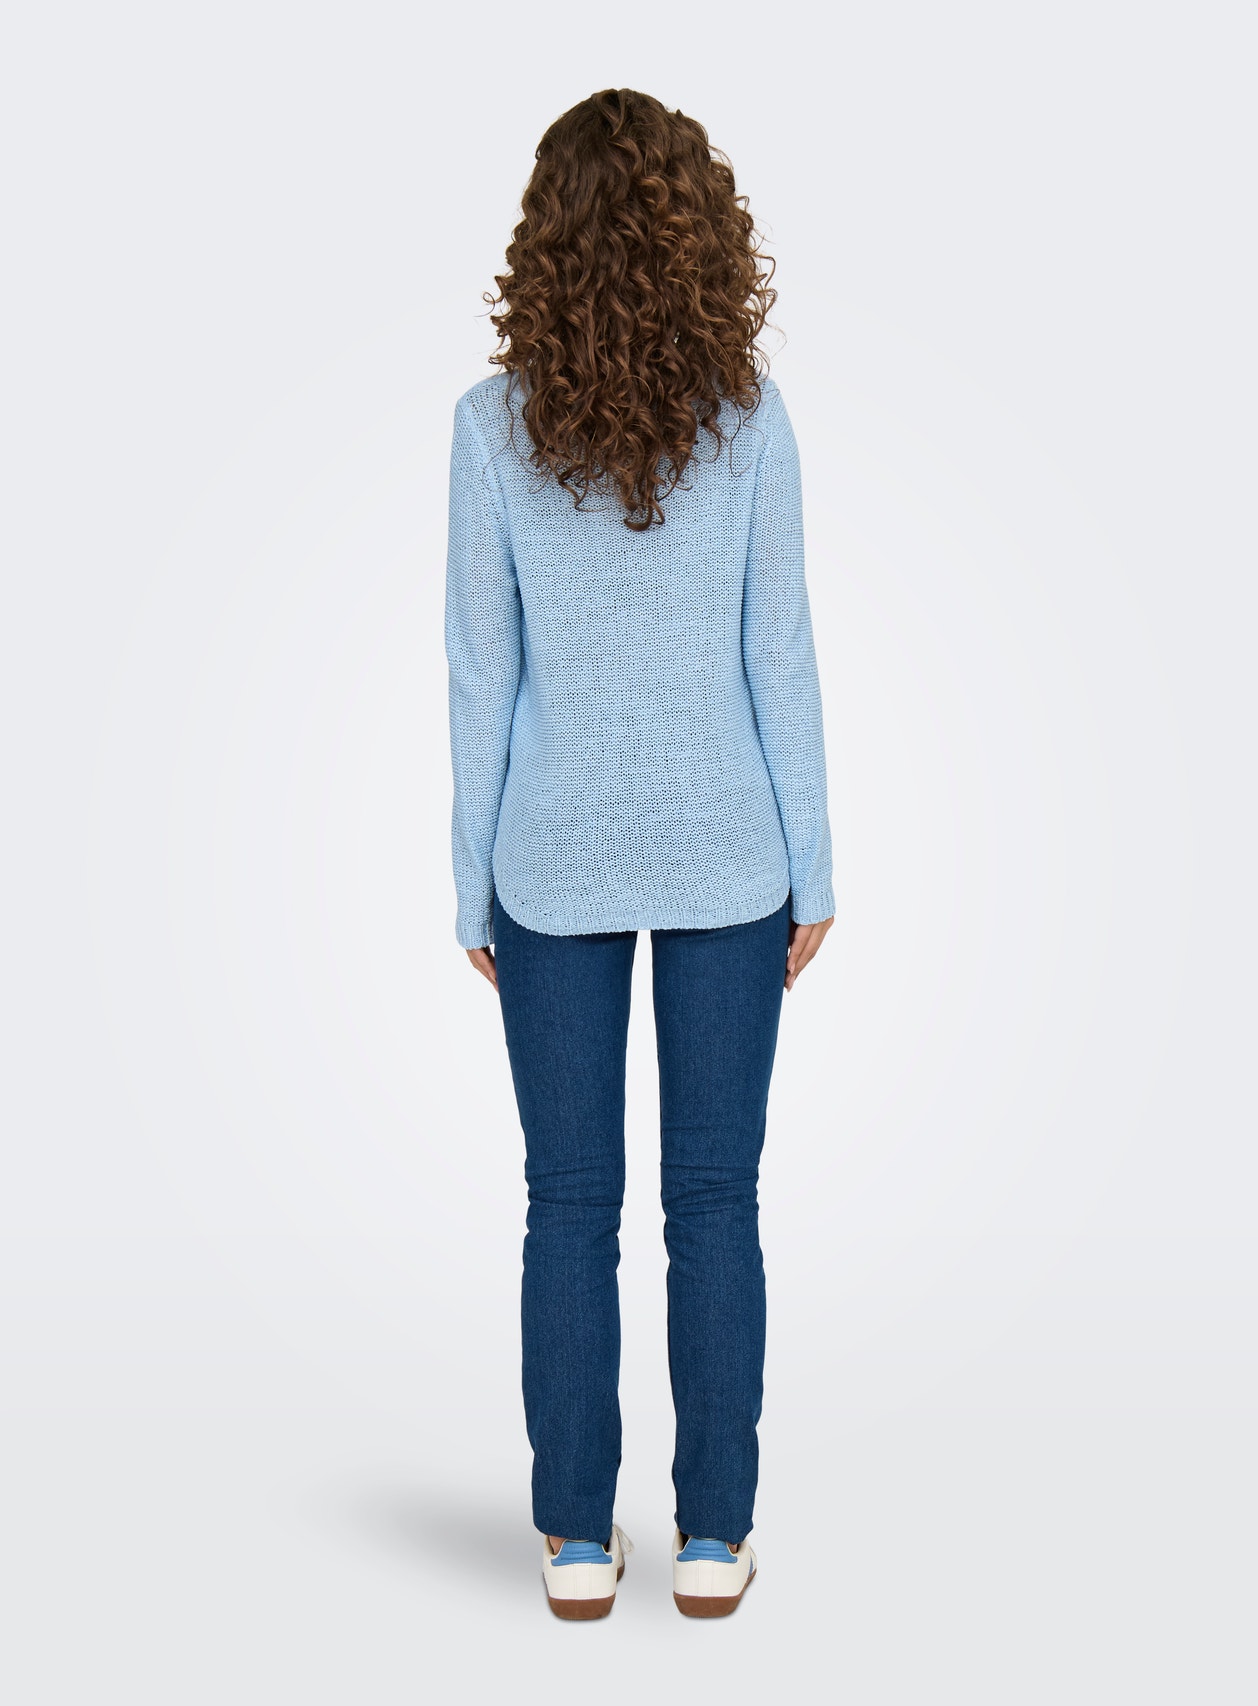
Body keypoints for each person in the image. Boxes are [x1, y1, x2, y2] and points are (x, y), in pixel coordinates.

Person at [444, 88, 835, 1620]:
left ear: (542, 246)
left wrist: (468, 879)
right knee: (716, 1199)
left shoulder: (490, 429)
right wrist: (817, 865)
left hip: (550, 858)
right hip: (732, 851)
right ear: (704, 238)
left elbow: (481, 673)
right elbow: (780, 655)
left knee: (567, 1202)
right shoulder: (748, 420)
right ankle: (715, 1537)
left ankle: (574, 1538)